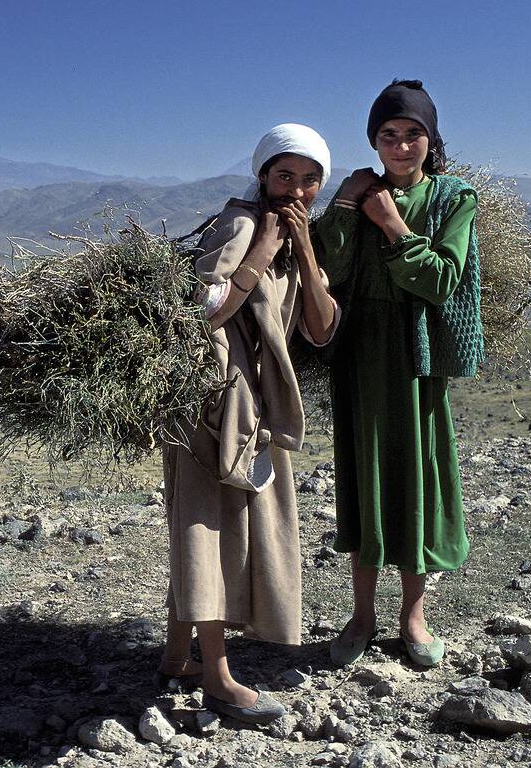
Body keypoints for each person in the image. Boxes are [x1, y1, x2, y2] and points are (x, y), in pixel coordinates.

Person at [158, 123, 340, 723]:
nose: (298, 189)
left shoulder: (298, 238)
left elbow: (320, 329)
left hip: (256, 405)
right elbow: (205, 311)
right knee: (205, 531)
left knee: (213, 528)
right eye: (285, 175)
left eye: (311, 179)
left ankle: (175, 656)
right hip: (211, 402)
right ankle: (217, 676)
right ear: (263, 175)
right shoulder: (241, 224)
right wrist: (261, 249)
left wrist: (306, 254)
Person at [315, 80, 483, 668]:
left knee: (416, 475)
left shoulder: (454, 198)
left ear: (431, 140)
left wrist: (391, 225)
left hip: (417, 358)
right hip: (360, 355)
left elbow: (441, 280)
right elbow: (327, 269)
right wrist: (343, 204)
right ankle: (361, 616)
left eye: (414, 134)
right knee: (364, 475)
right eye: (389, 135)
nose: (402, 145)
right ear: (374, 141)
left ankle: (414, 616)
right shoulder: (359, 193)